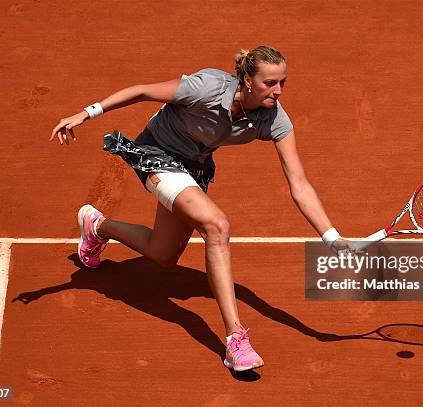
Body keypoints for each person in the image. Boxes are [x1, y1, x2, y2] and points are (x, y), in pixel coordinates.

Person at [50, 45, 359, 372]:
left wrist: (332, 237)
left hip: (193, 168)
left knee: (164, 254)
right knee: (216, 225)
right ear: (248, 80)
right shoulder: (207, 86)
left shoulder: (273, 118)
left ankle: (97, 227)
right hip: (155, 154)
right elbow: (142, 92)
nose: (279, 91)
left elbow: (300, 185)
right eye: (270, 83)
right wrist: (86, 113)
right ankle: (235, 340)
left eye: (283, 82)